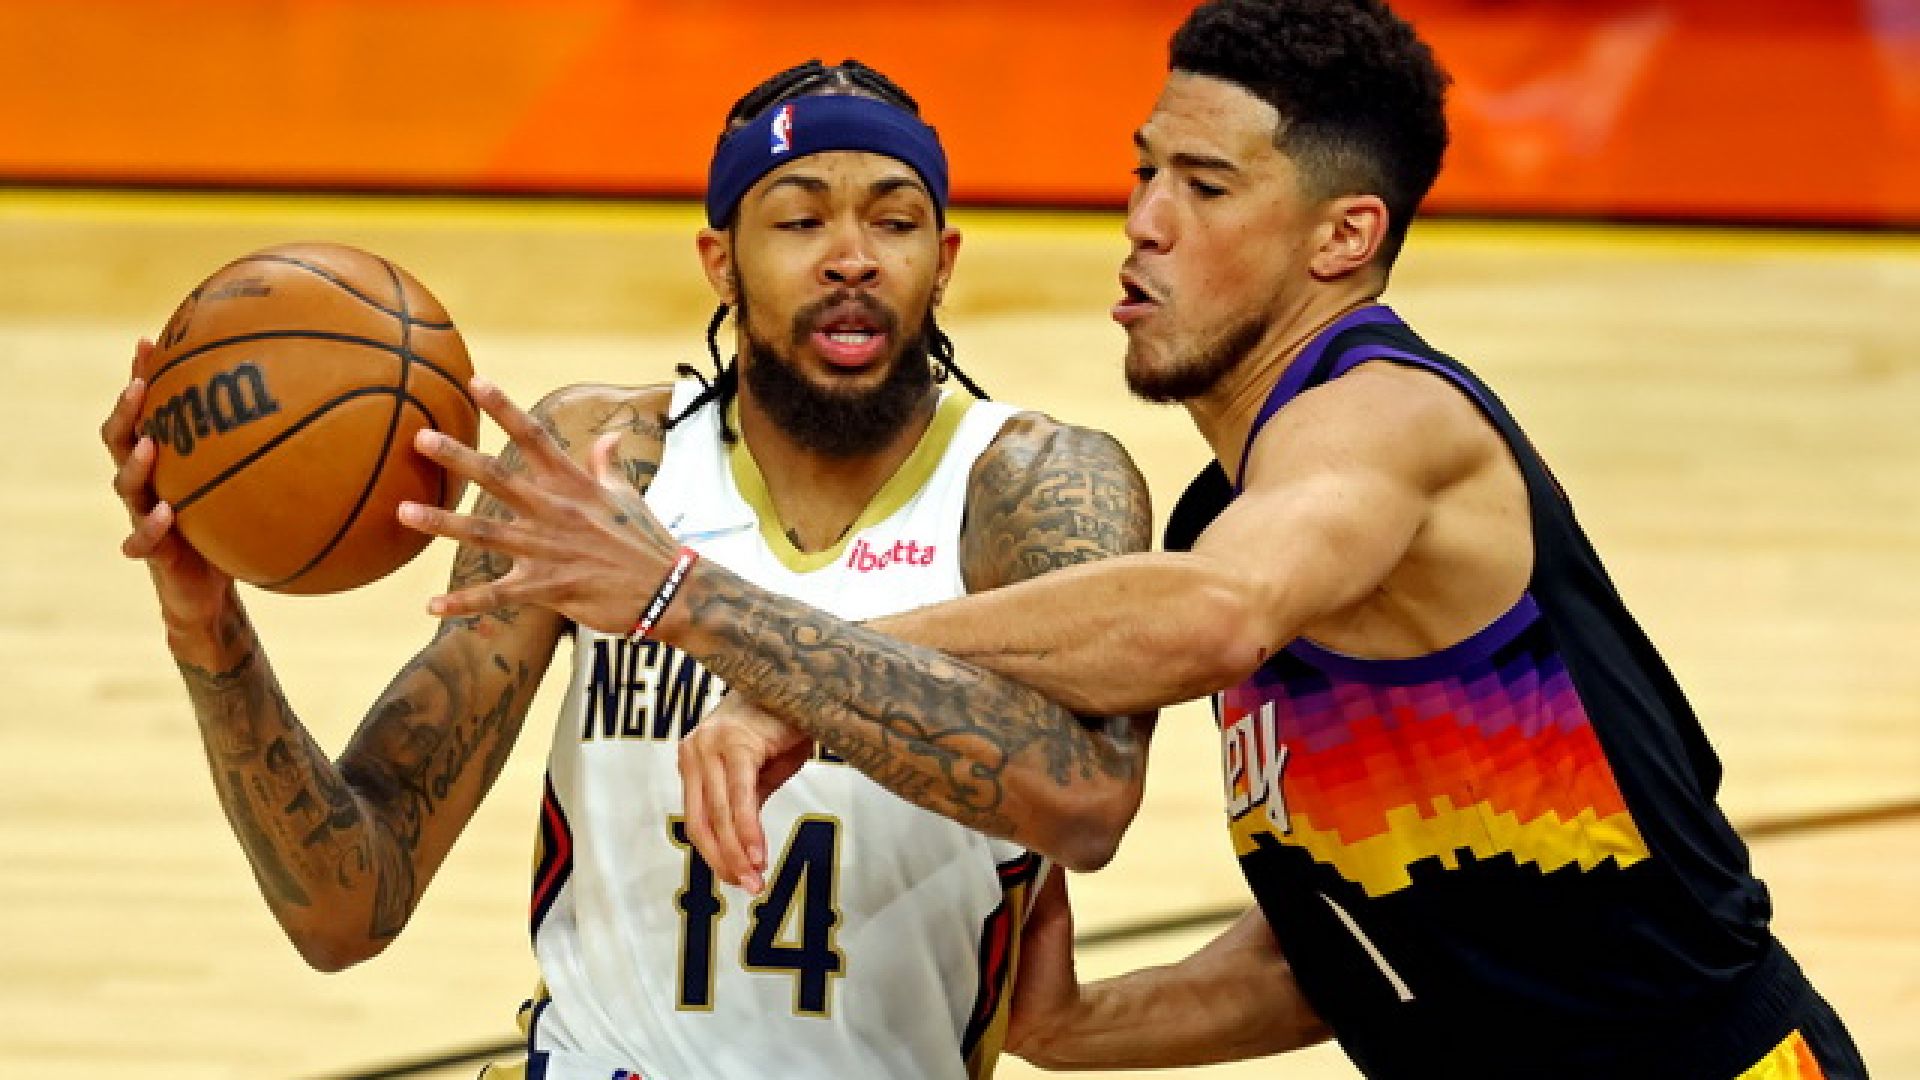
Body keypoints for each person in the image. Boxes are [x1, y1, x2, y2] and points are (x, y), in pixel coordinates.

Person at [410, 3, 1871, 1078]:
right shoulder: (1229, 510)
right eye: (1144, 172)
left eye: (1205, 187)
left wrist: (792, 662)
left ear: (1344, 239)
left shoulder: (1387, 419)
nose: (1142, 223)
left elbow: (1213, 616)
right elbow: (1364, 941)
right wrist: (1076, 1026)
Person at [102, 58, 1156, 1080]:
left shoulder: (1032, 487)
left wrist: (685, 602)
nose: (852, 259)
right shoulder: (601, 467)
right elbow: (346, 908)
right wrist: (210, 632)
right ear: (720, 261)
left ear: (945, 257)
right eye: (799, 222)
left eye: (894, 221)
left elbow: (1089, 803)